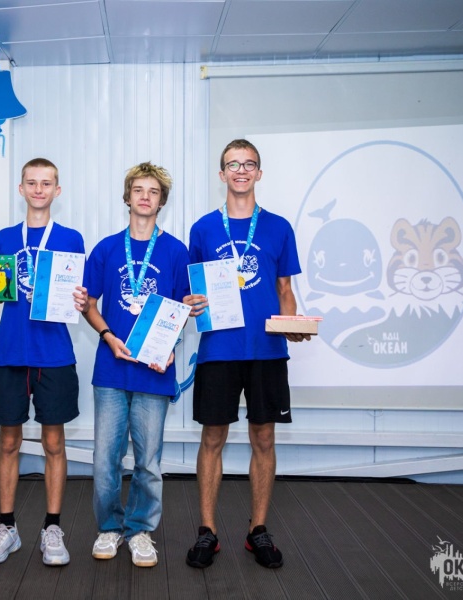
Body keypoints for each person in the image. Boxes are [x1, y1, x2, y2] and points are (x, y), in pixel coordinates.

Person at [185, 139, 311, 570]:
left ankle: (258, 530)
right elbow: (193, 290)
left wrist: (291, 324)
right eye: (233, 164)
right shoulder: (203, 229)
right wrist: (191, 303)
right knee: (212, 439)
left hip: (266, 350)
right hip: (218, 349)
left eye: (248, 164)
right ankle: (207, 531)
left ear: (259, 172)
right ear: (221, 174)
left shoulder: (278, 227)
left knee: (264, 438)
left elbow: (285, 289)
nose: (240, 170)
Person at [0, 158, 85, 567]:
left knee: (54, 443)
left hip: (54, 353)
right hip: (10, 351)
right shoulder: (4, 237)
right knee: (8, 443)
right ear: (21, 189)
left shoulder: (70, 238)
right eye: (31, 183)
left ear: (57, 190)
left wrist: (79, 299)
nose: (38, 189)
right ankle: (7, 527)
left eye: (46, 183)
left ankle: (52, 527)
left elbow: (77, 294)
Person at [74, 162, 190, 568]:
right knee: (105, 458)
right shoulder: (106, 249)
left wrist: (172, 344)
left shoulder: (176, 251)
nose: (145, 197)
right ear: (127, 197)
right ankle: (110, 527)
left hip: (154, 372)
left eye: (153, 192)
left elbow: (181, 310)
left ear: (161, 201)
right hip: (111, 368)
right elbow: (88, 304)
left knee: (148, 462)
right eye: (138, 190)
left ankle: (140, 531)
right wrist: (108, 335)